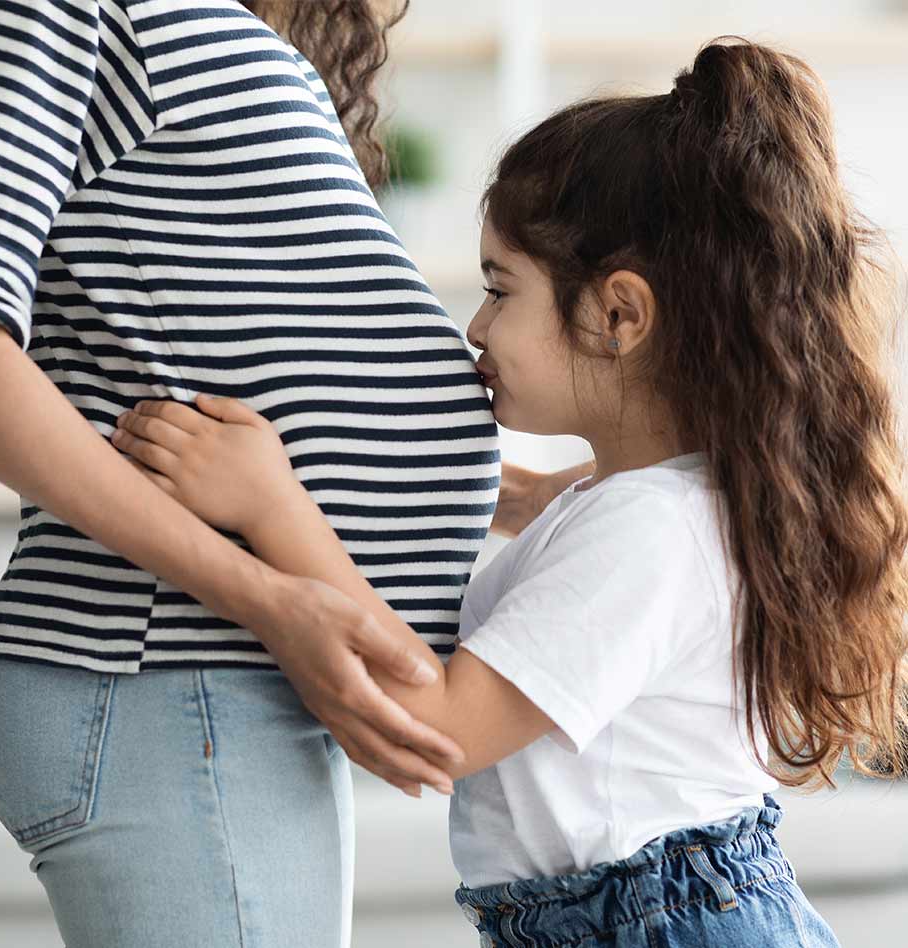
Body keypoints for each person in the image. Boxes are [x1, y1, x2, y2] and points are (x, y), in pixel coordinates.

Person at [0, 1, 591, 946]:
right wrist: (263, 596)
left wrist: (513, 495)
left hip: (219, 677)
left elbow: (235, 356)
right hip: (168, 663)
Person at [111, 36, 908, 947]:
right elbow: (540, 500)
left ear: (618, 315)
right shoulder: (663, 500)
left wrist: (271, 508)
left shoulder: (648, 533)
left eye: (500, 290)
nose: (476, 328)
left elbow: (437, 728)